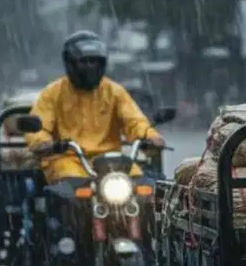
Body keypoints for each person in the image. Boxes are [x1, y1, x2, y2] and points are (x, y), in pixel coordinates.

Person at [25, 31, 166, 183]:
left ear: (102, 64)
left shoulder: (114, 92)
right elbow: (39, 126)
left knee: (140, 183)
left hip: (110, 161)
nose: (89, 66)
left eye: (94, 61)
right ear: (70, 63)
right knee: (70, 184)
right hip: (68, 159)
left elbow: (134, 121)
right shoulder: (52, 93)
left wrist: (150, 137)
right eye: (84, 62)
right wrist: (43, 143)